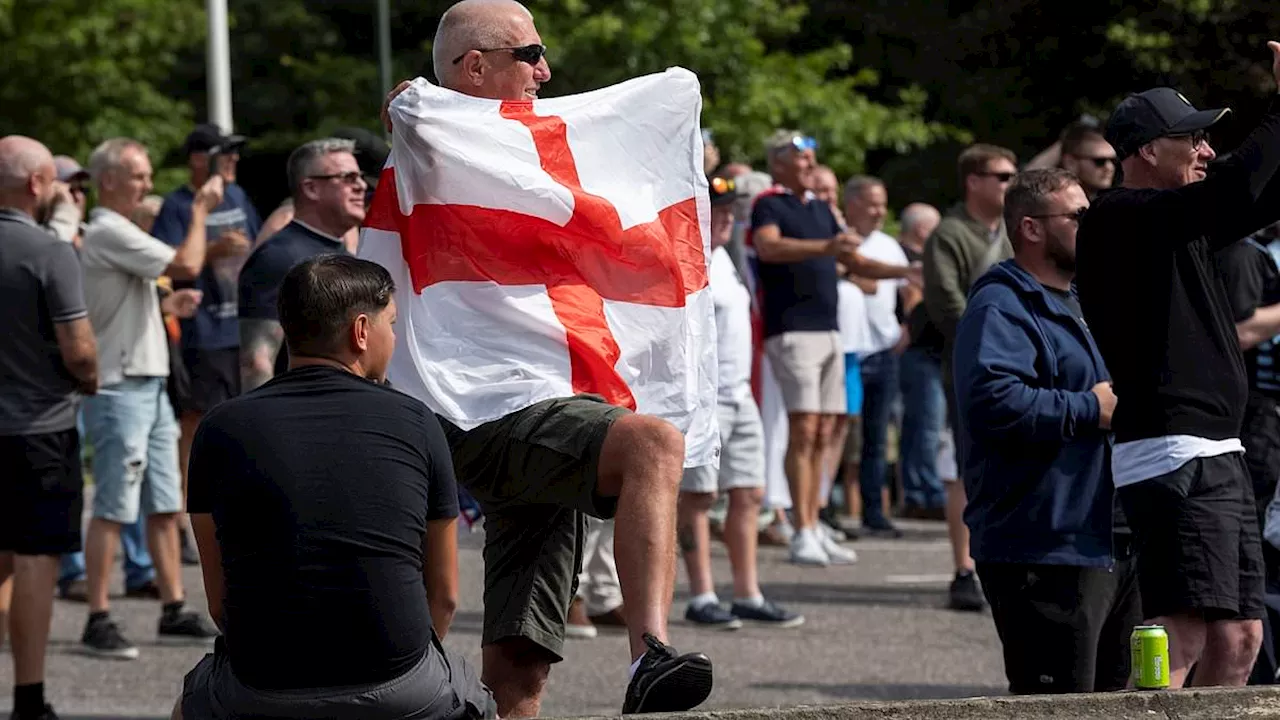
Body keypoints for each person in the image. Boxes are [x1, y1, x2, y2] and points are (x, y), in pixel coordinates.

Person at [382, 1, 713, 716]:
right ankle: (648, 654)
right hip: (481, 403)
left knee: (521, 663)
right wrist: (413, 100)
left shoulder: (521, 154)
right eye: (529, 53)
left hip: (543, 403)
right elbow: (412, 109)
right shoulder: (430, 134)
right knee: (653, 442)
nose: (545, 70)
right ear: (475, 67)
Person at [176, 255, 494, 720]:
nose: (395, 338)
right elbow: (443, 595)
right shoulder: (416, 422)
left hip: (259, 685)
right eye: (392, 322)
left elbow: (221, 599)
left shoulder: (220, 427)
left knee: (188, 704)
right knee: (479, 698)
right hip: (399, 682)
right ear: (360, 332)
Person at [1076, 44, 1280, 686]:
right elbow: (1237, 185)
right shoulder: (1119, 218)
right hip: (1172, 454)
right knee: (1182, 634)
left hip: (1216, 449)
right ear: (1146, 151)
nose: (1206, 150)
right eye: (1191, 138)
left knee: (1243, 638)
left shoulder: (1171, 222)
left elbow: (1254, 192)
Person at [955, 169, 1139, 693]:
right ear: (1032, 229)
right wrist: (1088, 407)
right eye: (1079, 217)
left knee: (1115, 702)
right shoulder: (1001, 305)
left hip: (1108, 537)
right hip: (1043, 547)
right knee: (1058, 703)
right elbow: (992, 401)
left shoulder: (1086, 299)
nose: (1093, 225)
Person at [78, 137, 221, 659]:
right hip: (121, 387)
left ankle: (172, 607)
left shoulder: (118, 234)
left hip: (148, 382)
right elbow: (187, 261)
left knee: (164, 503)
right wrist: (202, 209)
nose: (146, 184)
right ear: (109, 180)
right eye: (137, 175)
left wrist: (167, 304)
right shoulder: (108, 229)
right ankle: (97, 616)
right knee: (115, 506)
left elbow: (141, 291)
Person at [751, 131, 912, 567]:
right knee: (804, 429)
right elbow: (768, 246)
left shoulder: (821, 209)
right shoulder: (770, 203)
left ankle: (813, 519)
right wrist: (826, 247)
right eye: (799, 158)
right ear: (778, 163)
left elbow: (854, 260)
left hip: (829, 331)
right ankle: (801, 527)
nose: (808, 164)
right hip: (792, 330)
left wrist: (910, 269)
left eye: (810, 157)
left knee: (825, 431)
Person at [0, 135, 99, 720]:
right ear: (38, 184)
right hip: (39, 426)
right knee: (36, 559)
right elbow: (80, 350)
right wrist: (89, 379)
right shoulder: (47, 251)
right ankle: (29, 697)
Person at [678, 175, 804, 629]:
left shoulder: (726, 260)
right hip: (701, 399)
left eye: (730, 209)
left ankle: (747, 592)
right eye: (718, 209)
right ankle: (702, 594)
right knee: (698, 496)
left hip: (737, 393)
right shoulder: (685, 259)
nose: (726, 217)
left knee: (749, 493)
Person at [151, 124, 262, 529]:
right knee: (196, 428)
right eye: (224, 153)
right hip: (203, 334)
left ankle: (235, 512)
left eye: (235, 152)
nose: (233, 159)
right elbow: (166, 270)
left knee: (243, 425)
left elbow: (258, 240)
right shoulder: (177, 206)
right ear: (199, 159)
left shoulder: (236, 195)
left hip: (242, 330)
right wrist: (213, 250)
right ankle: (187, 522)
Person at [921, 143, 1017, 612]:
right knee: (968, 467)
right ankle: (966, 568)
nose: (1009, 183)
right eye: (1001, 176)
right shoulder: (949, 235)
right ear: (973, 181)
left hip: (1023, 369)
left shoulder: (1018, 230)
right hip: (970, 371)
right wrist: (1003, 341)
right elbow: (946, 306)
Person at [237, 138, 366, 391]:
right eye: (348, 178)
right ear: (311, 188)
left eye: (359, 177)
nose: (361, 186)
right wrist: (263, 427)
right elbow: (256, 361)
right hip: (299, 416)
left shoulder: (342, 253)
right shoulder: (278, 257)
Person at [844, 176, 914, 538]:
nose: (880, 210)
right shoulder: (838, 239)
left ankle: (874, 513)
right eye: (872, 203)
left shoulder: (888, 245)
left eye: (883, 203)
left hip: (884, 351)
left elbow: (910, 287)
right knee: (837, 437)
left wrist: (908, 328)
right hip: (848, 350)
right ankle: (828, 511)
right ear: (851, 203)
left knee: (877, 437)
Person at [895, 203, 946, 519]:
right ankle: (923, 493)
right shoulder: (907, 260)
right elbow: (911, 306)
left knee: (929, 427)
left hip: (934, 352)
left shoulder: (929, 260)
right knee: (924, 427)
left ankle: (924, 490)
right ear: (922, 229)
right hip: (919, 353)